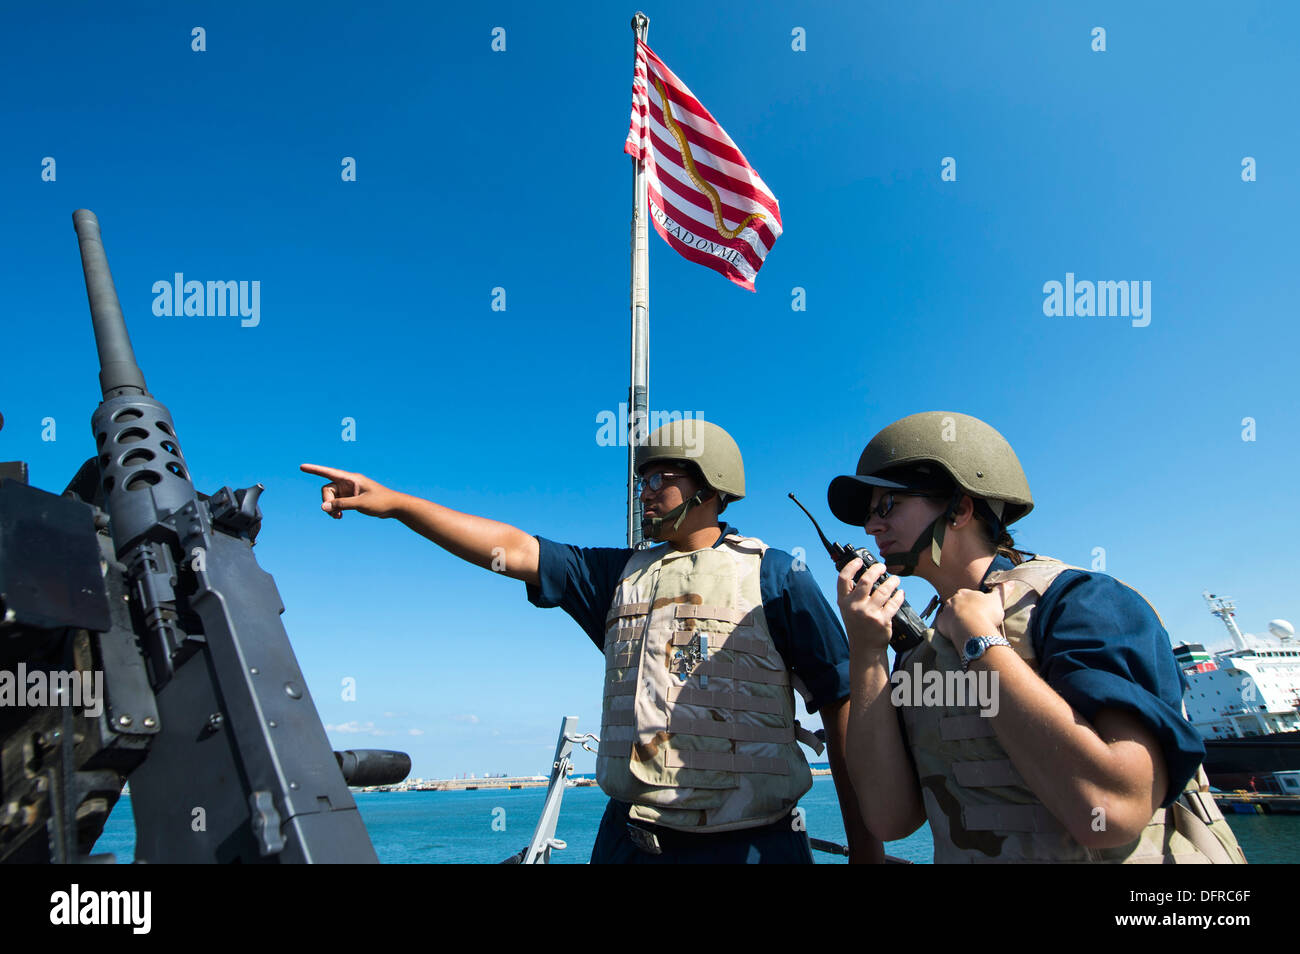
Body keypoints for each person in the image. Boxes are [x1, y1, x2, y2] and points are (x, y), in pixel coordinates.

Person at [302, 418, 879, 864]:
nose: (645, 492)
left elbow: (842, 707)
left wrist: (867, 852)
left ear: (709, 485)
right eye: (641, 481)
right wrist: (398, 505)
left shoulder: (777, 576)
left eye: (660, 479)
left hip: (751, 848)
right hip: (626, 844)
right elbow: (515, 548)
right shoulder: (616, 575)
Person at [827, 411, 1246, 863]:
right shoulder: (921, 653)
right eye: (871, 514)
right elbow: (890, 819)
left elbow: (1111, 810)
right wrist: (868, 651)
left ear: (961, 508)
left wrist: (978, 639)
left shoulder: (1080, 603)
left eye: (888, 505)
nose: (872, 527)